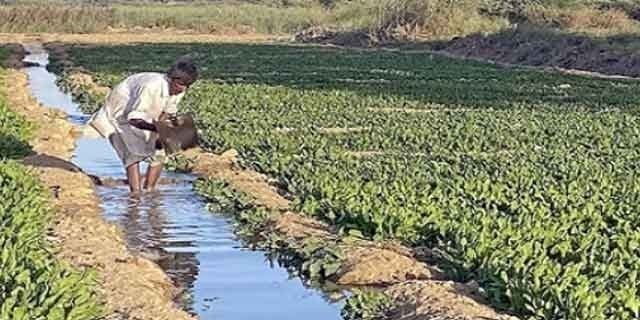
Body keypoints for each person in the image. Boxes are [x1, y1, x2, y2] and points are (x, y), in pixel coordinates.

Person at [88, 58, 198, 193]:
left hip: (146, 113)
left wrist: (164, 132)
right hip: (122, 110)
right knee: (130, 152)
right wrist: (157, 128)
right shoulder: (150, 86)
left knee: (161, 151)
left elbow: (167, 112)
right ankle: (136, 194)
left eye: (188, 85)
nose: (184, 89)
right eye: (181, 85)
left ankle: (150, 190)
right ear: (172, 79)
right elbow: (134, 119)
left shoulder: (179, 89)